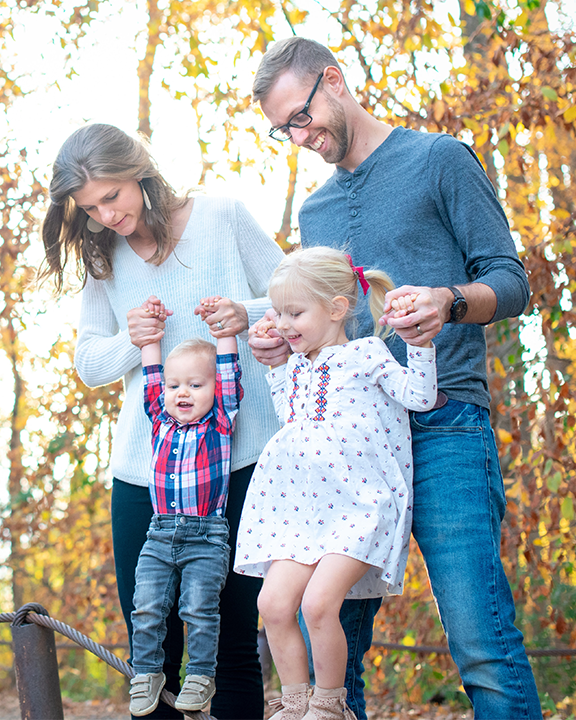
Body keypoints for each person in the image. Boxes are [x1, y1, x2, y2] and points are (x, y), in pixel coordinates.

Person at [248, 37, 541, 719]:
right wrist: (284, 343)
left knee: (479, 636)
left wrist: (449, 301)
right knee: (329, 654)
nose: (300, 137)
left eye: (301, 117)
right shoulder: (317, 211)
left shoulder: (440, 159)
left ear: (333, 80)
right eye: (284, 129)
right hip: (344, 454)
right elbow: (331, 328)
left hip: (444, 426)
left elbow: (512, 281)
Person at [41, 122, 284, 718]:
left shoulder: (222, 217)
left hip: (240, 463)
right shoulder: (104, 257)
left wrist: (246, 313)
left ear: (140, 173)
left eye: (112, 196)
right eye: (90, 208)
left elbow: (298, 299)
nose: (106, 216)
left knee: (231, 642)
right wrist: (131, 340)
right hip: (145, 475)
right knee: (151, 647)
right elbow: (89, 364)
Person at [234, 248, 437, 719]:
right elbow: (290, 417)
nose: (282, 323)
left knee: (318, 605)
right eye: (277, 312)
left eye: (294, 312)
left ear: (336, 308)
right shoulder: (297, 364)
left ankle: (329, 704)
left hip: (358, 506)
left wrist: (421, 346)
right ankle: (294, 704)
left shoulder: (366, 354)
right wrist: (277, 369)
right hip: (300, 510)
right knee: (272, 603)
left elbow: (420, 397)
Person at [127, 296, 242, 715]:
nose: (183, 393)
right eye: (175, 386)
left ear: (214, 390)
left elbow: (228, 374)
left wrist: (224, 333)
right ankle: (146, 672)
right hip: (158, 533)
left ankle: (200, 676)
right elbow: (152, 377)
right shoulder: (159, 419)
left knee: (198, 609)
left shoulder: (220, 421)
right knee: (146, 606)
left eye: (195, 385)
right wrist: (151, 338)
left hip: (206, 537)